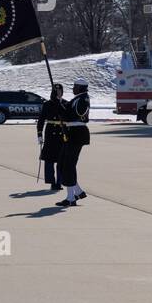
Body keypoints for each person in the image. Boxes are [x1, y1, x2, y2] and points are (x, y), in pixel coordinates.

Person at [56, 78, 90, 208]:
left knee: (68, 165)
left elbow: (74, 113)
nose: (73, 88)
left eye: (75, 86)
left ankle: (71, 198)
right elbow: (68, 110)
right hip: (72, 132)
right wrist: (59, 100)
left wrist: (61, 108)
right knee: (64, 163)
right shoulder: (78, 98)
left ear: (81, 88)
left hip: (77, 133)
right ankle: (78, 192)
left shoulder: (82, 99)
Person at [37, 82, 66, 192]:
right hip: (50, 133)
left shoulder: (65, 103)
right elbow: (41, 120)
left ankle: (59, 182)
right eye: (56, 91)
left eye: (60, 91)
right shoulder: (47, 104)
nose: (58, 93)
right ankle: (52, 182)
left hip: (61, 132)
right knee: (49, 159)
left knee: (61, 160)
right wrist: (39, 134)